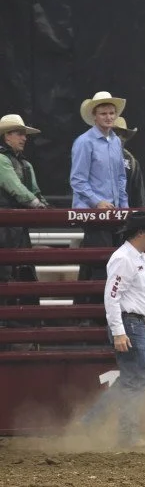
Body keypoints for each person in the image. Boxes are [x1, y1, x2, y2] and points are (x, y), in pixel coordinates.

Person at [79, 211, 145, 448]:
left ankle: (93, 422)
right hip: (130, 324)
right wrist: (119, 331)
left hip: (132, 323)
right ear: (141, 233)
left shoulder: (136, 258)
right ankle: (125, 434)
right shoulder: (125, 258)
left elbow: (142, 298)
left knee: (131, 380)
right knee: (136, 381)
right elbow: (112, 296)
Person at [70, 91, 129, 305]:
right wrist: (97, 202)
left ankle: (92, 310)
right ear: (94, 116)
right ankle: (96, 312)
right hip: (94, 213)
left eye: (112, 113)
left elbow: (121, 177)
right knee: (101, 264)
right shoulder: (84, 142)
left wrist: (124, 206)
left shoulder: (115, 142)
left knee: (108, 263)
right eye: (103, 113)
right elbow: (77, 180)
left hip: (113, 212)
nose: (108, 117)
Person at [0, 114, 47, 333]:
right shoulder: (2, 160)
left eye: (23, 134)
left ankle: (22, 321)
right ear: (7, 136)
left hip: (17, 227)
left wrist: (41, 203)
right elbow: (16, 189)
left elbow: (33, 191)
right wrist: (38, 205)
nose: (24, 138)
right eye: (19, 133)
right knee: (6, 271)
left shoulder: (25, 164)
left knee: (21, 270)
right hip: (5, 226)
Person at [113, 117, 145, 208]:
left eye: (124, 135)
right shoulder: (95, 155)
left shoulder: (132, 161)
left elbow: (139, 196)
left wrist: (141, 213)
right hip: (98, 211)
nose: (121, 138)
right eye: (116, 133)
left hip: (125, 211)